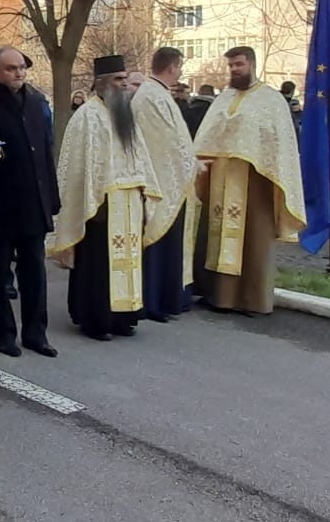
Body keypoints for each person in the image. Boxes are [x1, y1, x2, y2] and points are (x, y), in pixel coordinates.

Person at [53, 58, 172, 340]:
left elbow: (139, 157)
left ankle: (123, 317)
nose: (124, 85)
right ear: (101, 82)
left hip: (130, 201)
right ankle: (96, 320)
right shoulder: (87, 116)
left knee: (129, 260)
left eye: (124, 79)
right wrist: (92, 198)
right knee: (99, 264)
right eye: (118, 79)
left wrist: (146, 191)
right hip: (102, 204)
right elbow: (79, 166)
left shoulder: (125, 115)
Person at [191, 47, 306, 315]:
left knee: (253, 241)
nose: (234, 69)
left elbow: (280, 145)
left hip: (256, 180)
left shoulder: (271, 100)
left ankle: (252, 299)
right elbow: (208, 135)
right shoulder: (223, 99)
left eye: (239, 64)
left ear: (251, 64)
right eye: (230, 65)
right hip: (221, 179)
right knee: (216, 239)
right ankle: (218, 296)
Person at [0, 46, 58, 358]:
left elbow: (45, 150)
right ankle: (3, 334)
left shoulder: (37, 101)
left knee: (34, 273)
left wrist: (52, 197)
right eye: (12, 68)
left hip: (34, 200)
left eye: (22, 68)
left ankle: (35, 333)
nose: (19, 73)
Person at [134, 46, 198, 323]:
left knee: (166, 242)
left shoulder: (156, 94)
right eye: (180, 66)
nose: (180, 72)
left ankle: (165, 298)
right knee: (160, 242)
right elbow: (168, 142)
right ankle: (155, 301)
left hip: (167, 176)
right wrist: (191, 164)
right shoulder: (152, 96)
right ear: (172, 67)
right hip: (163, 179)